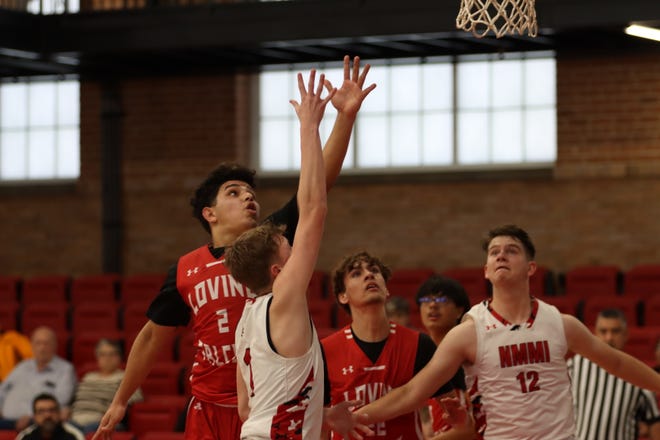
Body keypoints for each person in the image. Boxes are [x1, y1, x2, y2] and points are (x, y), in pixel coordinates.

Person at [93, 55, 376, 440]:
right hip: (212, 406)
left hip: (266, 400)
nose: (248, 198)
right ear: (209, 214)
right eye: (234, 192)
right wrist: (120, 399)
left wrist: (343, 119)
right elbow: (151, 337)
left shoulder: (271, 241)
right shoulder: (186, 269)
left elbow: (317, 186)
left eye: (251, 193)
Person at [353, 224, 660, 439]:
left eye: (511, 251)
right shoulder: (469, 332)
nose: (501, 255)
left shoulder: (560, 323)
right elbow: (413, 391)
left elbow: (617, 363)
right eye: (494, 252)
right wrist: (357, 417)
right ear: (486, 271)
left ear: (531, 268)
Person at [227, 69, 369, 440]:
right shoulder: (284, 296)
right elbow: (314, 211)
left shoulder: (245, 322)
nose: (295, 245)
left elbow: (248, 408)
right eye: (287, 245)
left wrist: (316, 416)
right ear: (278, 269)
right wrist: (309, 125)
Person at [321, 251, 471, 440]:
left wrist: (461, 422)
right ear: (343, 296)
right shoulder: (325, 351)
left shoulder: (420, 344)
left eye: (374, 271)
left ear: (387, 290)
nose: (369, 275)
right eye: (356, 274)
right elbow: (319, 428)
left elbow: (464, 428)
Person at [568, 308, 660, 440]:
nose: (609, 337)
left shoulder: (638, 372)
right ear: (595, 334)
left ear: (626, 335)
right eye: (603, 331)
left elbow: (654, 423)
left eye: (615, 331)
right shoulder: (575, 365)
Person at [415, 275, 479, 440]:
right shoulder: (417, 354)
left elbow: (470, 428)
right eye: (426, 299)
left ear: (459, 310)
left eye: (442, 299)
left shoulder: (469, 354)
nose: (432, 305)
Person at [0, 327, 76, 432]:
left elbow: (61, 400)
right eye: (38, 343)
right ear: (32, 346)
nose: (42, 348)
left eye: (46, 343)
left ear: (55, 346)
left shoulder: (65, 369)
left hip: (37, 421)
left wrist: (33, 416)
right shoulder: (22, 366)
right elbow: (2, 390)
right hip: (5, 419)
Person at [70, 339, 143, 434]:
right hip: (74, 421)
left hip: (102, 422)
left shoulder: (124, 377)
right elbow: (76, 401)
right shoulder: (88, 377)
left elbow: (137, 398)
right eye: (103, 354)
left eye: (112, 354)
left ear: (119, 357)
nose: (107, 358)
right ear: (97, 357)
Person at [15, 393, 84, 440]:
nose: (47, 415)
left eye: (52, 410)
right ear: (34, 416)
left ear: (59, 413)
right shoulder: (25, 437)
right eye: (41, 411)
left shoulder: (73, 435)